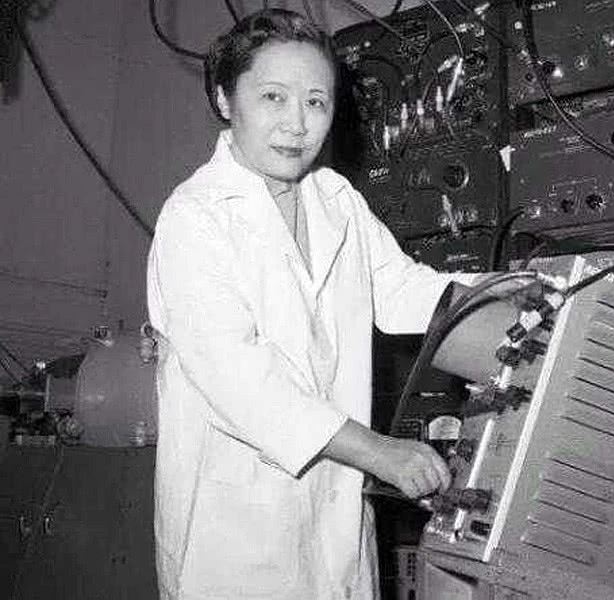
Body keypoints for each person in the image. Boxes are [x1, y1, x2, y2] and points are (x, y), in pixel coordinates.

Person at [146, 8, 485, 600]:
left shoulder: (335, 198)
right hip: (235, 537)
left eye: (316, 102)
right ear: (225, 99)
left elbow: (400, 290)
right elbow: (241, 384)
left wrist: (514, 287)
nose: (297, 124)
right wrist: (379, 452)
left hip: (335, 523)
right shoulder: (195, 217)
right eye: (273, 97)